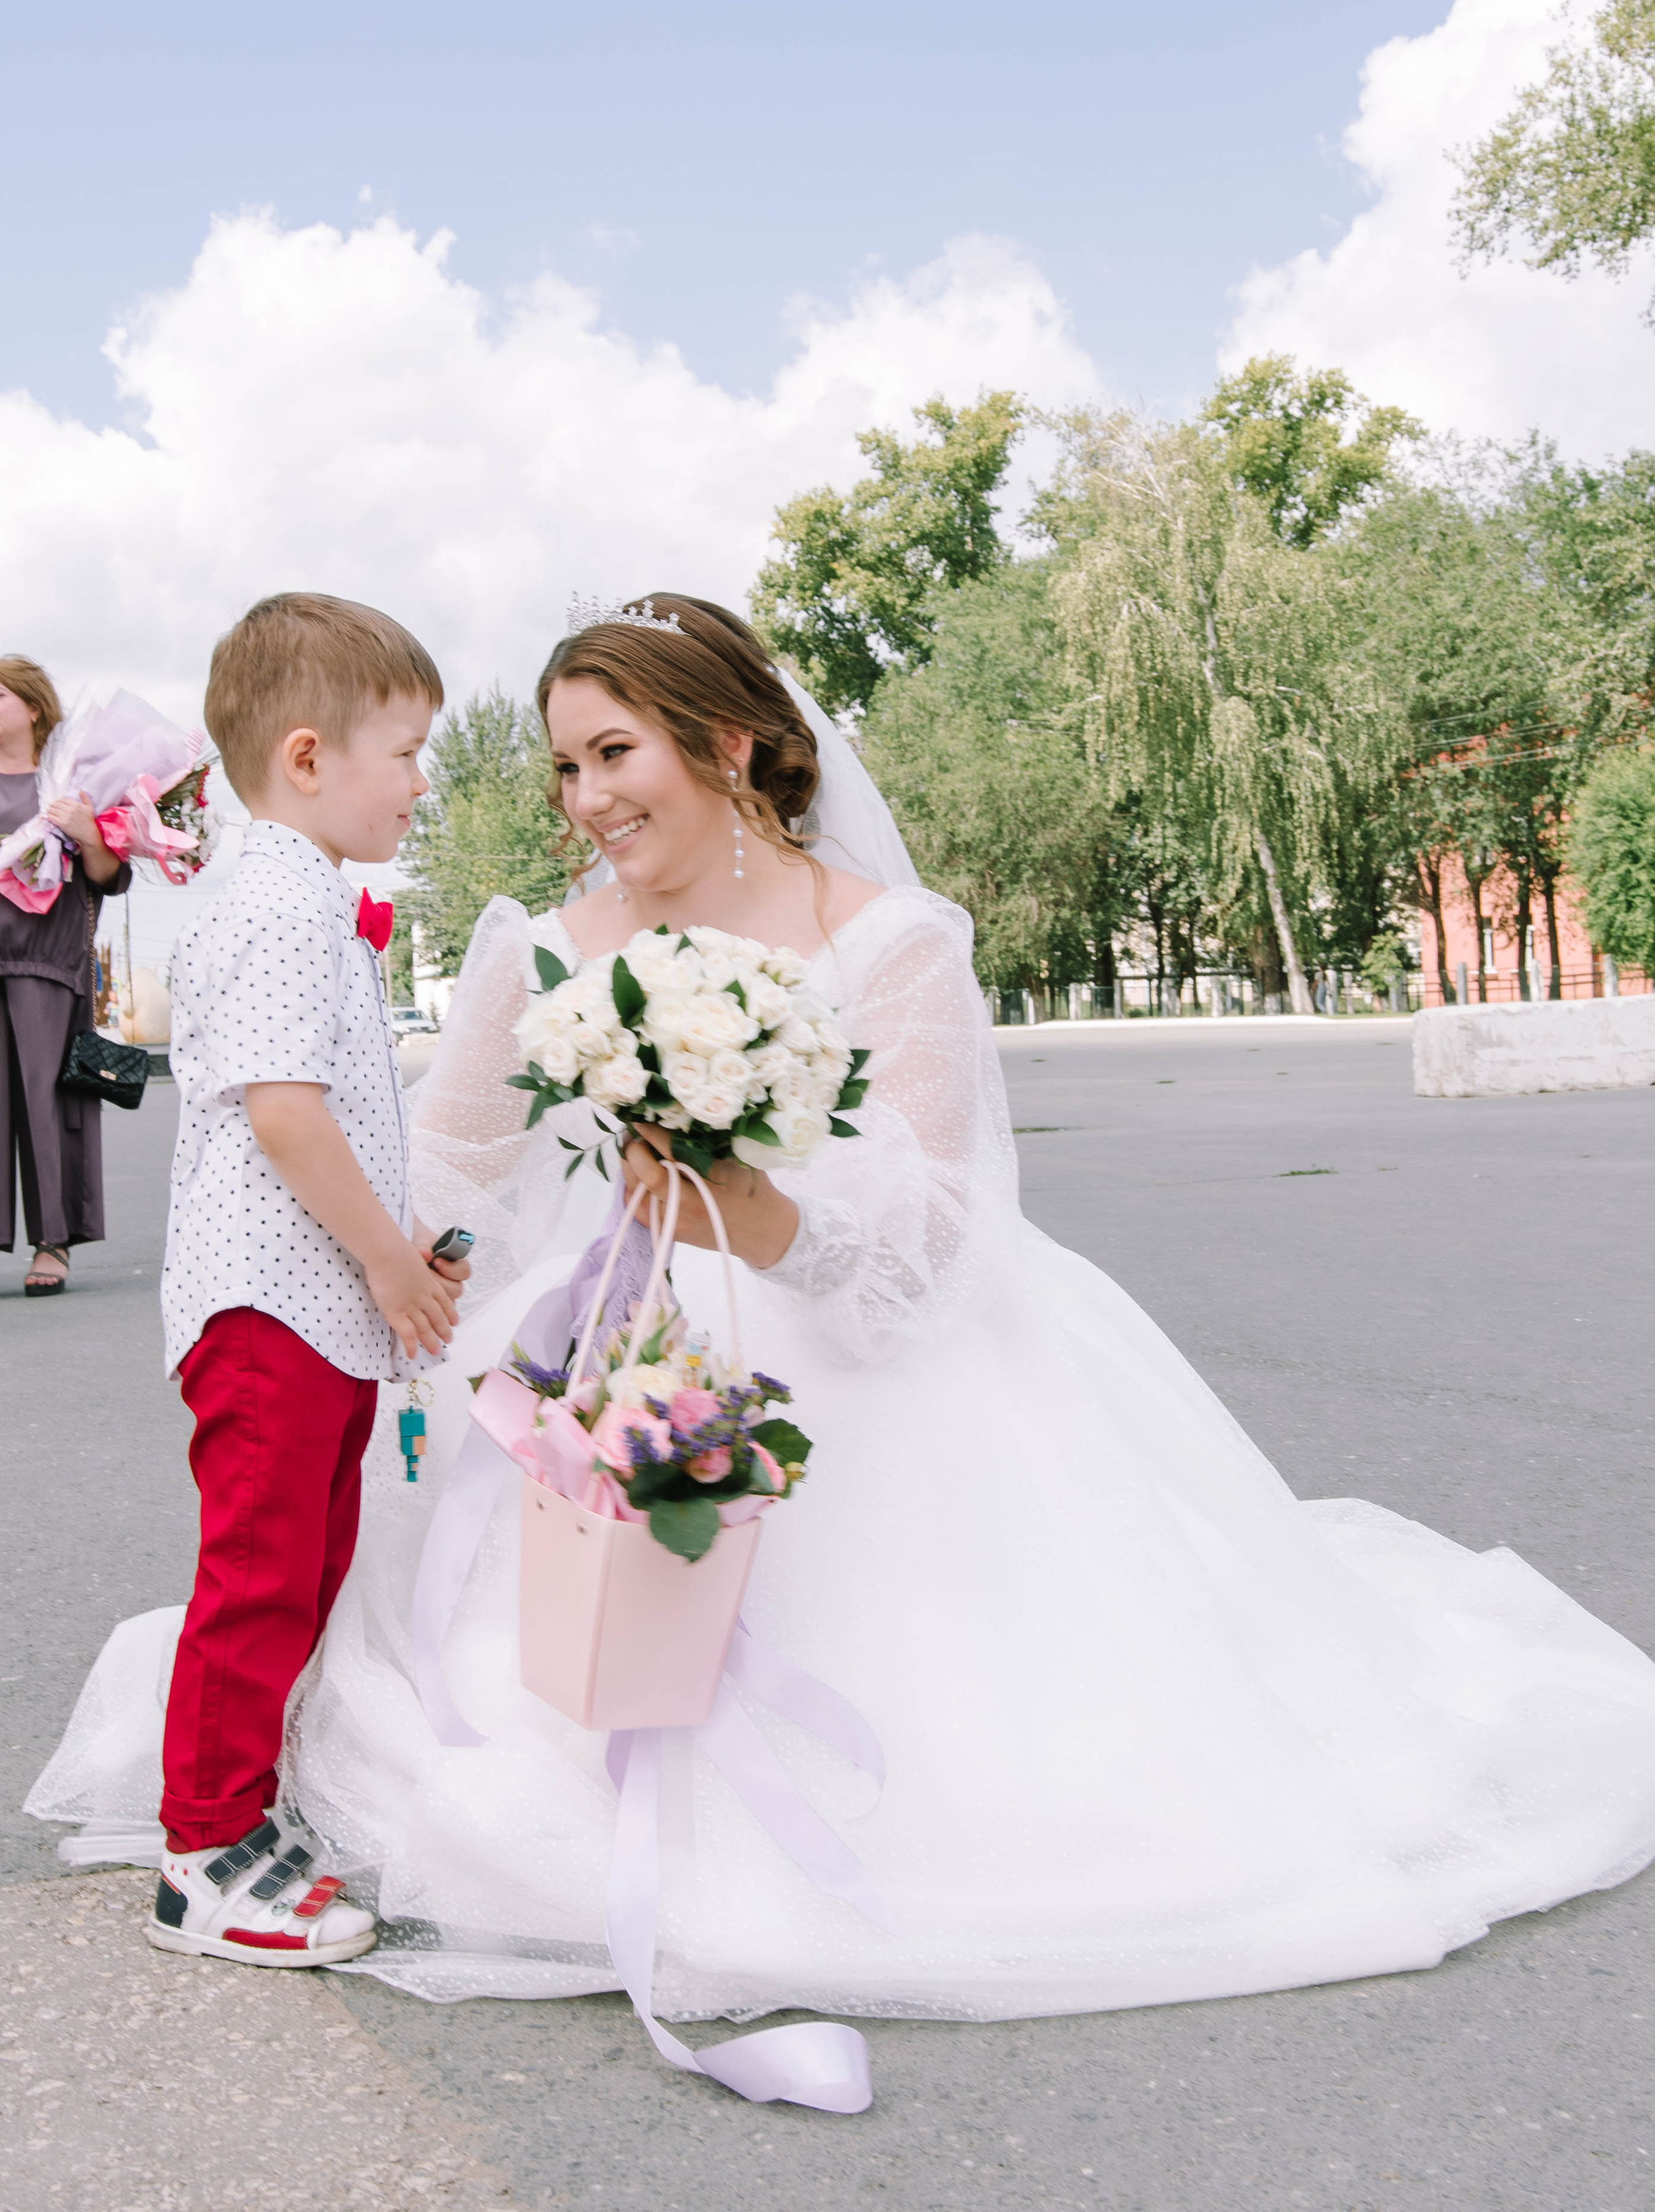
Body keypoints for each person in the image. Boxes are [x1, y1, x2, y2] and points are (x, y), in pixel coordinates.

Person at [32, 596, 1655, 2032]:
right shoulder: (534, 947)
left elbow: (938, 1239)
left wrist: (756, 1207)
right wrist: (420, 1277)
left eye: (615, 754)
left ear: (730, 746)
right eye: (564, 770)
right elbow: (450, 1157)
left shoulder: (883, 941)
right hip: (618, 1337)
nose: (586, 802)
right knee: (368, 1592)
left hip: (864, 1363)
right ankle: (240, 1800)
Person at [140, 592, 471, 1969]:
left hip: (308, 1303)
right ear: (307, 758)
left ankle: (244, 1816)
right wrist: (394, 1268)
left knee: (310, 1560)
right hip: (268, 1300)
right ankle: (202, 1855)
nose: (420, 782)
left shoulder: (301, 897)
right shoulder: (275, 901)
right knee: (262, 1573)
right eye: (402, 752)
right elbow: (285, 1114)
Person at [0, 654, 131, 1297]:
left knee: (48, 1104)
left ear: (31, 707)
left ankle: (53, 1241)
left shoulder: (71, 783)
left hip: (47, 964)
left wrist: (89, 834)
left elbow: (111, 876)